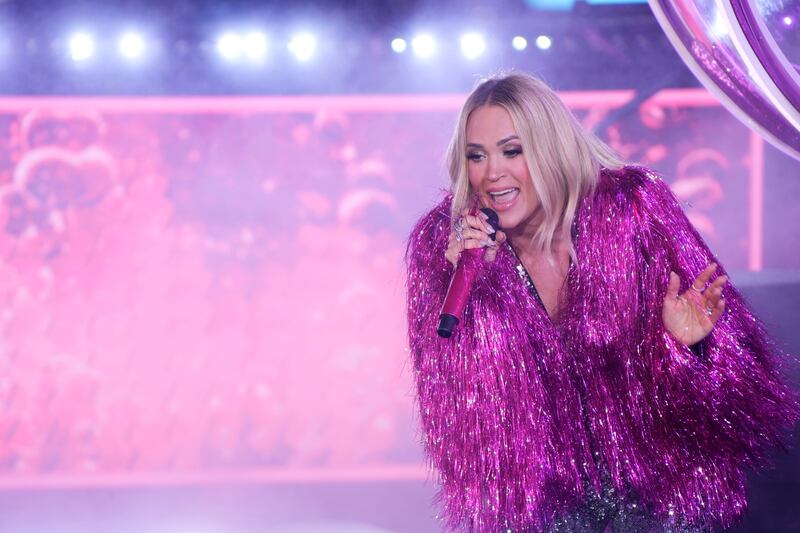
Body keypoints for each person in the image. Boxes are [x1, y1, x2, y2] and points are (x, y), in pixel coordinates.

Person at [405, 72, 799, 532]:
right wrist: (467, 286)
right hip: (545, 516)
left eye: (512, 150)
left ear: (550, 147)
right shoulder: (446, 252)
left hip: (656, 503)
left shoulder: (631, 214)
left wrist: (686, 347)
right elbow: (457, 423)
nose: (493, 172)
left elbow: (745, 396)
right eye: (477, 156)